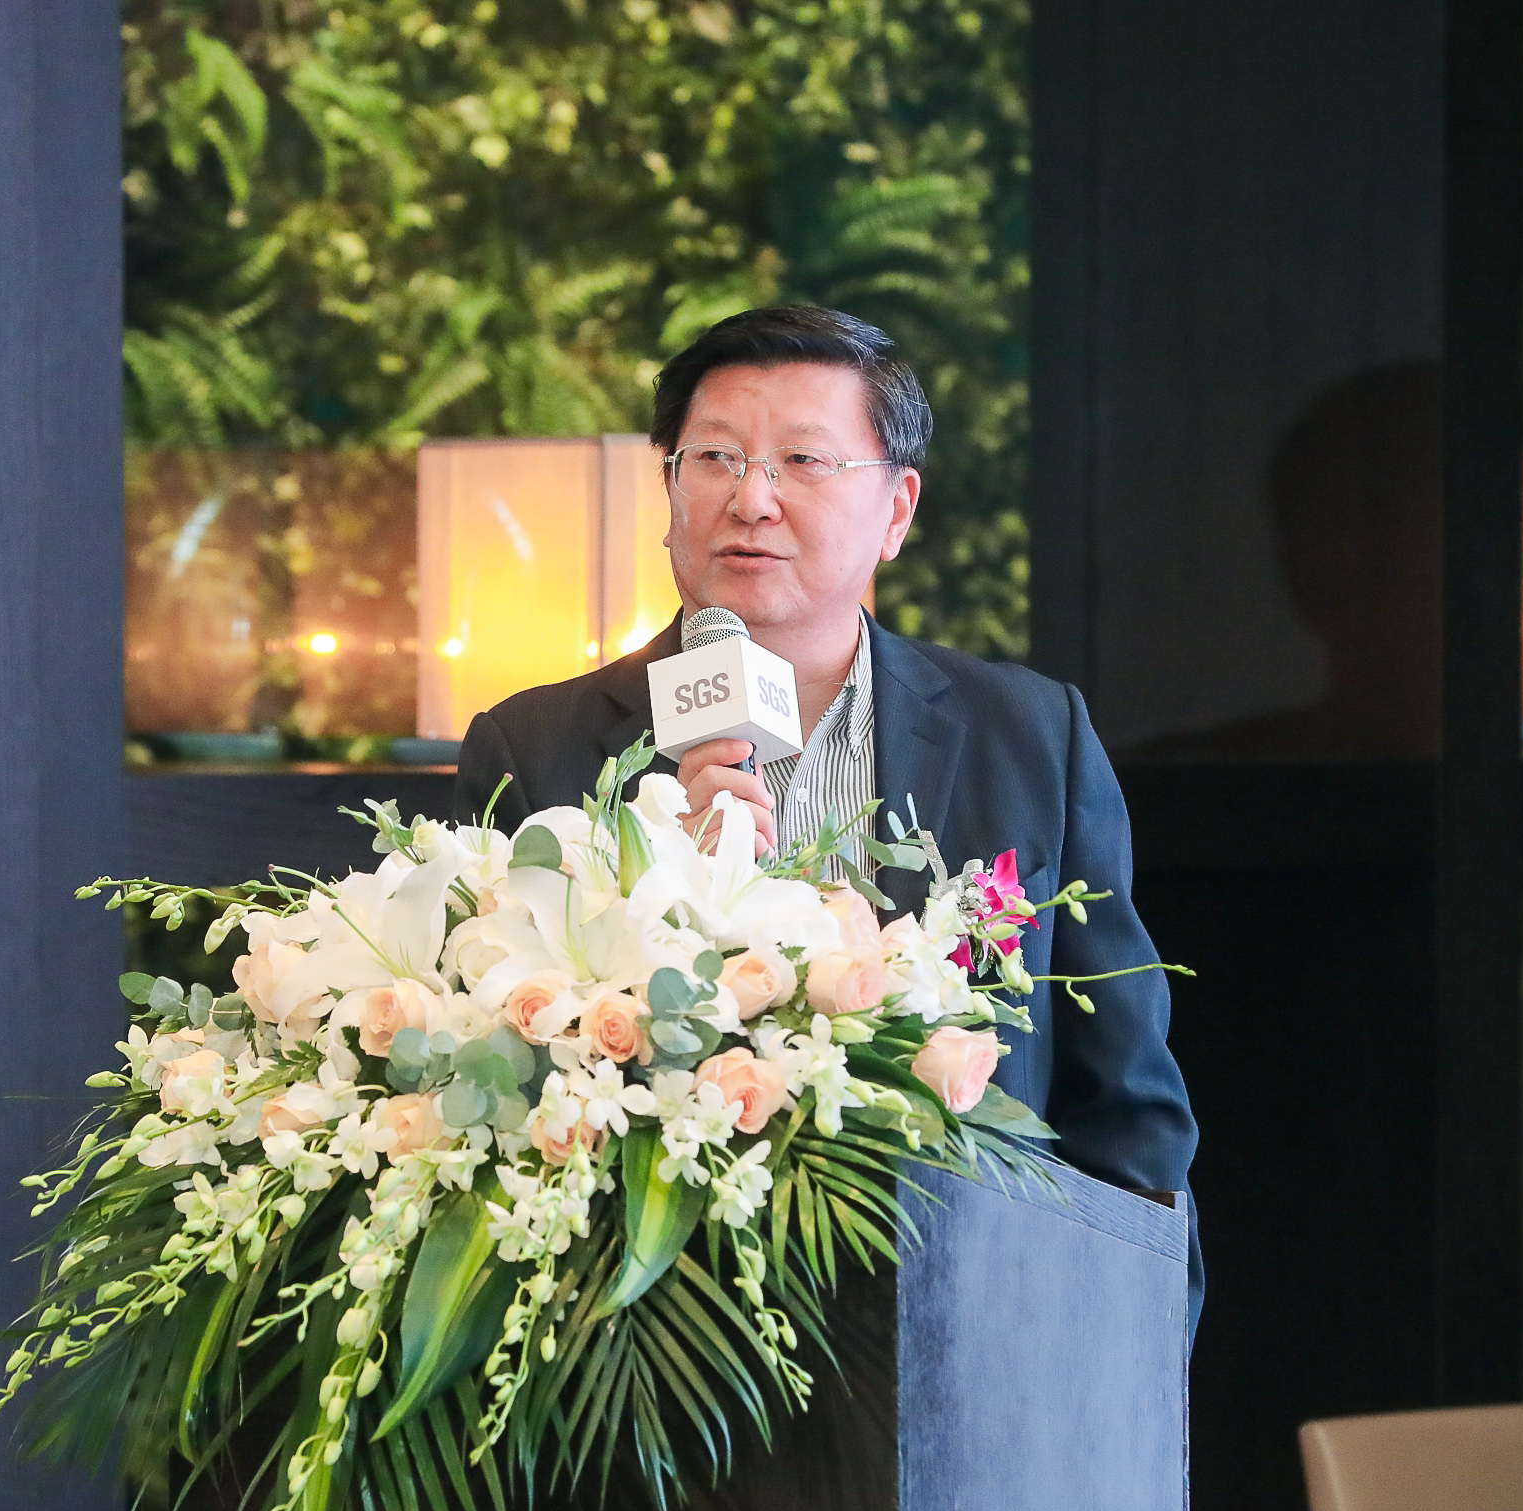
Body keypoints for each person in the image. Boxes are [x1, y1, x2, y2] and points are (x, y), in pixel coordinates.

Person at [453, 304, 1201, 1330]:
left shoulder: (1029, 735)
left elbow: (1127, 1108)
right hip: (650, 1345)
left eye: (802, 460)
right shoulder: (534, 749)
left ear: (897, 508)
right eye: (715, 458)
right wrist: (661, 882)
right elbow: (486, 1088)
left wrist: (1121, 1360)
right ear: (668, 490)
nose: (751, 499)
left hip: (973, 1330)